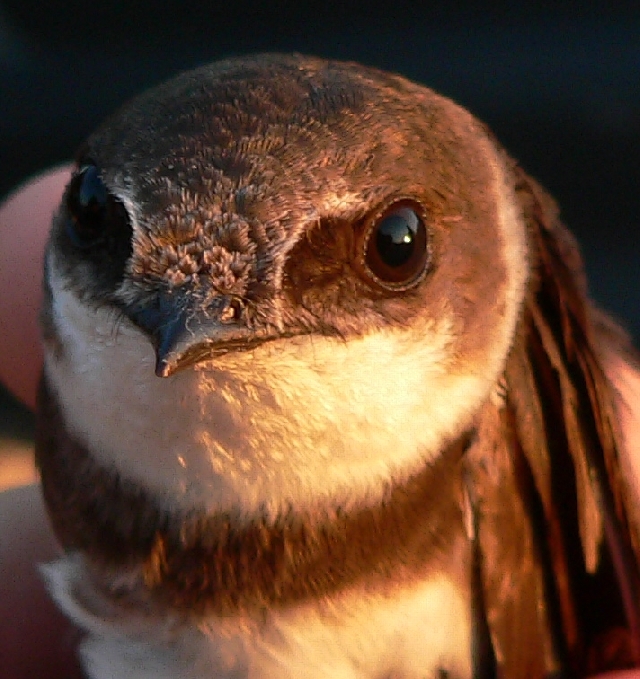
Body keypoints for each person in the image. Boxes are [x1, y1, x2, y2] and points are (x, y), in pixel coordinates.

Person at [0, 168, 638, 678]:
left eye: (393, 250)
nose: (192, 320)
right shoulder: (92, 395)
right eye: (94, 218)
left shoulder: (526, 402)